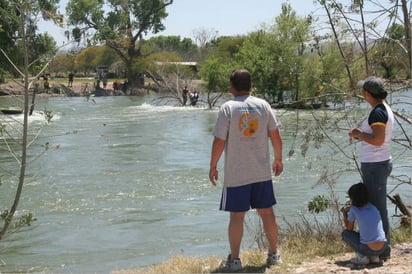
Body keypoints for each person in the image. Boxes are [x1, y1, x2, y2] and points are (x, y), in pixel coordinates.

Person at [209, 69, 283, 272]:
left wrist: (213, 165)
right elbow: (275, 134)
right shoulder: (263, 105)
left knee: (236, 217)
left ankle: (235, 260)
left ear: (232, 86)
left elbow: (219, 141)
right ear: (251, 85)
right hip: (261, 172)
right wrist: (278, 159)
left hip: (237, 173)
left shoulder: (228, 108)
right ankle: (274, 254)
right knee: (267, 214)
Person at [348, 76, 394, 260]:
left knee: (377, 207)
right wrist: (360, 136)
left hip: (376, 165)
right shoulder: (382, 110)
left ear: (367, 94)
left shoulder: (378, 113)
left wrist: (359, 134)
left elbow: (378, 139)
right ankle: (380, 249)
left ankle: (382, 251)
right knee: (376, 206)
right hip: (378, 163)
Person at [342, 183, 388, 265]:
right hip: (383, 247)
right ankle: (375, 257)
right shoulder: (373, 207)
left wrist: (345, 213)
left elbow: (349, 229)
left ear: (353, 198)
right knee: (368, 234)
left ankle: (362, 257)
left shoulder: (354, 209)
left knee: (345, 234)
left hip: (367, 248)